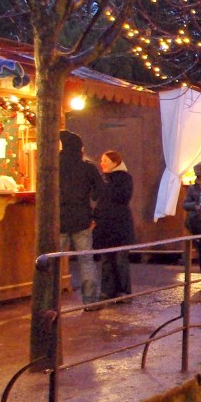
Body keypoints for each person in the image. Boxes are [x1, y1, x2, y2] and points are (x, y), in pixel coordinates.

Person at [58, 130, 103, 307]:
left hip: (59, 219)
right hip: (82, 219)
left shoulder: (53, 166)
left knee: (52, 262)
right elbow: (99, 192)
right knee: (86, 262)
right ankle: (90, 301)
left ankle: (48, 301)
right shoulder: (87, 167)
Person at [95, 150, 136, 301]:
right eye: (101, 160)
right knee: (106, 260)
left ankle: (124, 291)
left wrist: (106, 185)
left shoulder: (125, 178)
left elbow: (121, 197)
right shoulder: (102, 179)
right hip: (105, 226)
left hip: (120, 226)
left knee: (120, 259)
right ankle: (107, 291)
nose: (102, 163)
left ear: (115, 162)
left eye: (105, 160)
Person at [182, 163, 201, 272]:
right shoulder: (193, 189)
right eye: (200, 176)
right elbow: (185, 204)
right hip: (199, 223)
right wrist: (195, 205)